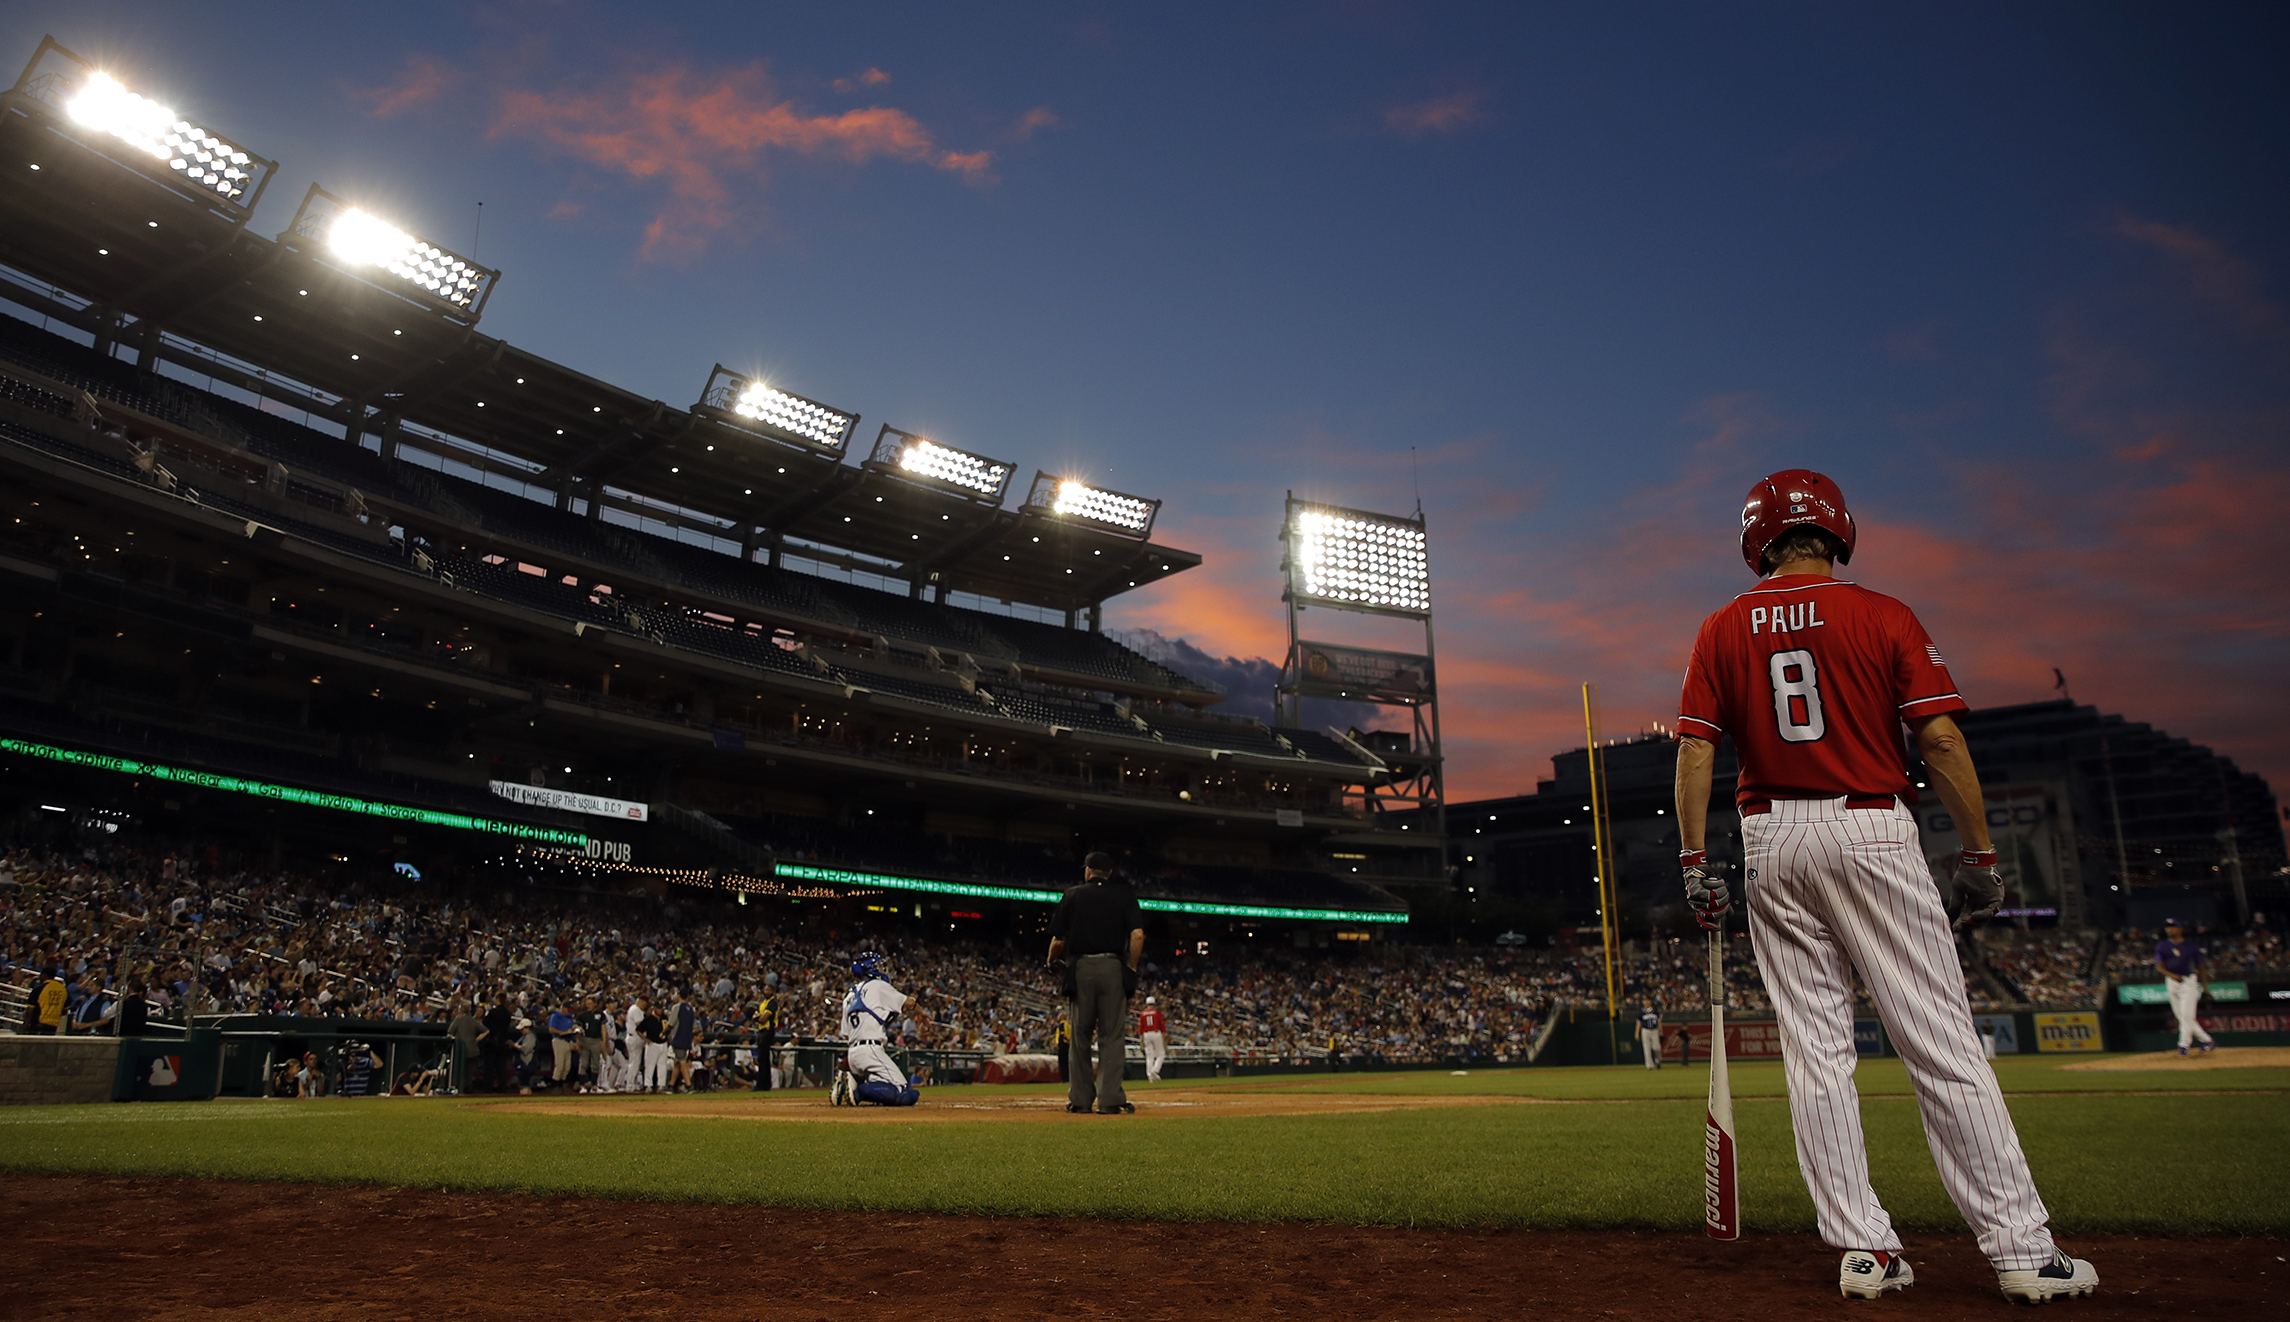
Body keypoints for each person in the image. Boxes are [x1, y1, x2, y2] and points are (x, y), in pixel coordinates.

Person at [1672, 469, 2096, 1304]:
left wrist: (1693, 864)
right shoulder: (1884, 614)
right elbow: (1938, 743)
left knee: (1817, 1053)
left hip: (1772, 841)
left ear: (1758, 538)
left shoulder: (1722, 625)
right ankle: (2020, 1249)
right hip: (1868, 826)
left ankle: (1865, 1251)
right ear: (1837, 531)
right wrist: (1978, 857)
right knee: (1939, 1041)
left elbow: (1693, 751)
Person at [1046, 851, 1144, 1115]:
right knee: (1112, 1036)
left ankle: (1080, 1100)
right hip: (1113, 966)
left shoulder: (1073, 894)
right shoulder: (1125, 895)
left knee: (1080, 1037)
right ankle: (1110, 1100)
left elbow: (1059, 941)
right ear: (1110, 873)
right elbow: (1137, 935)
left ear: (1088, 871)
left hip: (1081, 968)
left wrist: (1050, 962)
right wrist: (1131, 968)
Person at [836, 952, 921, 1106]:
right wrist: (922, 1012)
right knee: (907, 1094)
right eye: (879, 965)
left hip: (853, 1053)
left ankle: (852, 1080)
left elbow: (846, 1033)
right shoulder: (877, 985)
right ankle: (858, 1091)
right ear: (871, 968)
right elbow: (908, 1003)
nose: (883, 969)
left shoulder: (848, 995)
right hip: (870, 1049)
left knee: (883, 1083)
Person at [2155, 920, 2216, 1056]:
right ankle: (2207, 1040)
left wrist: (2206, 989)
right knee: (2181, 1016)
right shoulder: (2162, 946)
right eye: (2168, 927)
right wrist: (2172, 976)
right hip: (2171, 981)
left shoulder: (2191, 946)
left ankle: (2183, 1046)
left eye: (2173, 927)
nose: (2170, 930)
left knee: (2187, 1015)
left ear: (2180, 929)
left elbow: (2201, 967)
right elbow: (2159, 966)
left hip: (2188, 981)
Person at [751, 985, 779, 1092]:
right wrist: (759, 1017)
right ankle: (765, 1084)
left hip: (768, 1030)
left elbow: (763, 1018)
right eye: (765, 989)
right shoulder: (762, 1003)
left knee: (763, 1058)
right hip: (761, 1031)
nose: (766, 991)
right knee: (763, 1058)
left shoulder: (773, 1003)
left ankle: (761, 1084)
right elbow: (755, 1017)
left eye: (768, 990)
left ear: (772, 991)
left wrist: (759, 1017)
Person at [576, 996, 607, 1092]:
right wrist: (578, 1042)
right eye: (587, 1004)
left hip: (596, 1040)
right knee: (583, 1063)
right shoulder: (583, 1015)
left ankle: (594, 1085)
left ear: (595, 1004)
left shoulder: (600, 1014)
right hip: (585, 1040)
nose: (588, 1006)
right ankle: (582, 1086)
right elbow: (578, 1029)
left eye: (590, 1004)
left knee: (595, 1064)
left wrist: (604, 1042)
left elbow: (603, 1029)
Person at [547, 1001, 579, 1089]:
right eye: (568, 1010)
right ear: (563, 1008)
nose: (569, 1012)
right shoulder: (556, 1016)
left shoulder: (569, 1017)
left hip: (568, 1041)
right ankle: (555, 1084)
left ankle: (561, 1083)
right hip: (559, 1040)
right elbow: (551, 1030)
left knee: (567, 1066)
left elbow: (573, 1026)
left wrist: (575, 1027)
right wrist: (563, 1032)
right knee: (560, 1064)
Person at [1138, 996, 1168, 1083]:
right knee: (1161, 1054)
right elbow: (1162, 1026)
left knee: (1149, 1056)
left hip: (1146, 1034)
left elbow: (1140, 1028)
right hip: (1156, 1033)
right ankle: (1155, 1070)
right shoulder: (1157, 1013)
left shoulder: (1143, 1013)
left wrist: (1141, 1040)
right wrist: (1164, 1037)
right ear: (1154, 1004)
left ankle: (1150, 1077)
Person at [1637, 1005, 1663, 1070]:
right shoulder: (1641, 1012)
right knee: (1646, 1048)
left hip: (1654, 1030)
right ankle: (1649, 1066)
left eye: (1647, 1000)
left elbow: (1659, 1021)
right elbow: (1639, 1023)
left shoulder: (1655, 1011)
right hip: (1645, 1030)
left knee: (1657, 1048)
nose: (1646, 1002)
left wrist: (1661, 1030)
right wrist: (1637, 1033)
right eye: (1645, 1000)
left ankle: (1658, 1061)